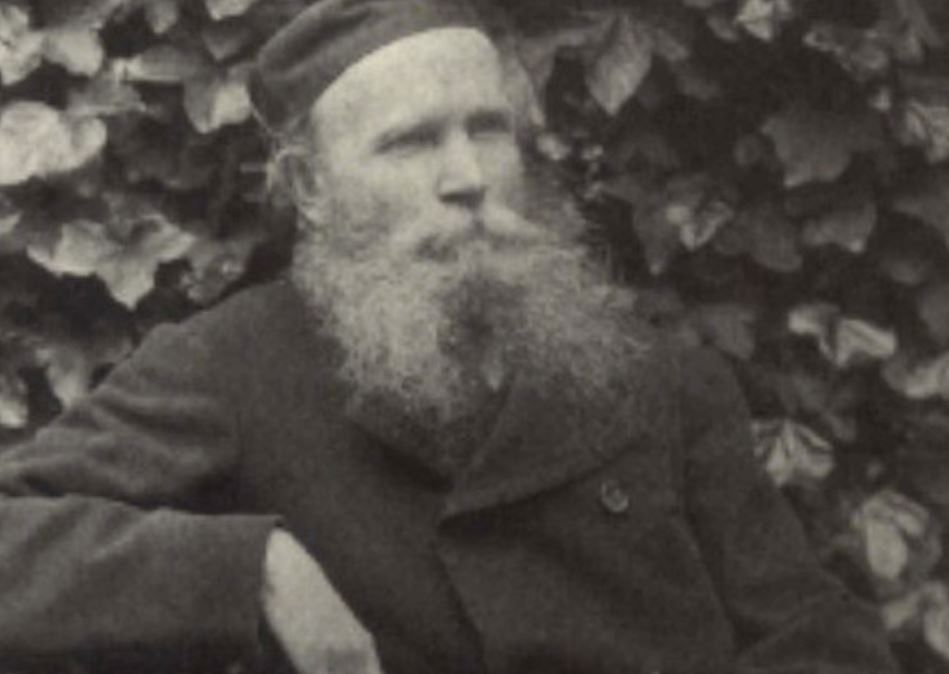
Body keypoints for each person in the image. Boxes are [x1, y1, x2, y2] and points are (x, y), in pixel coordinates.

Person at [0, 1, 901, 673]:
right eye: (411, 143)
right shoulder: (231, 367)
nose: (468, 176)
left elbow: (813, 634)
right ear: (310, 189)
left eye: (487, 130)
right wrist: (249, 568)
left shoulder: (661, 379)